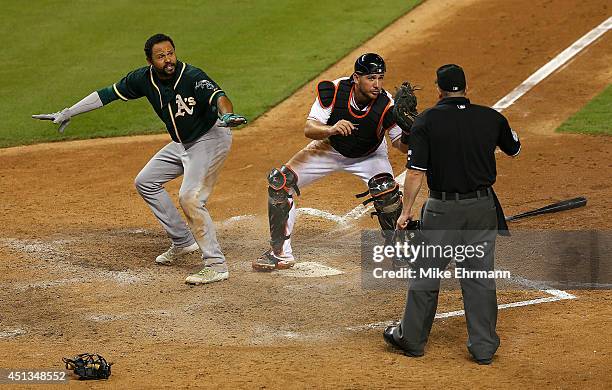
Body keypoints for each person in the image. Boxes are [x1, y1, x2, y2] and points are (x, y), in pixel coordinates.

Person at [32, 33, 246, 285]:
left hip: (210, 139)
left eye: (170, 53)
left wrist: (228, 115)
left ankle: (216, 265)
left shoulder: (192, 76)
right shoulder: (143, 79)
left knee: (190, 197)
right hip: (183, 144)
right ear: (149, 60)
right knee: (146, 181)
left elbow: (219, 97)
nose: (168, 60)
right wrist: (68, 112)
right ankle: (182, 240)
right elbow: (106, 94)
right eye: (161, 56)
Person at [384, 64, 521, 364]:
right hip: (482, 208)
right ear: (464, 87)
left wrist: (406, 212)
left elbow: (415, 174)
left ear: (439, 89)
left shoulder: (426, 122)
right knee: (479, 276)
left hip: (442, 211)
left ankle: (412, 339)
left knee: (426, 273)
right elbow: (514, 149)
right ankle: (484, 347)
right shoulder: (491, 117)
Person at [252, 53, 411, 271]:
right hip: (330, 148)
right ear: (356, 78)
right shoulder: (335, 91)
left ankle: (400, 254)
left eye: (380, 78)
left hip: (370, 155)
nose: (377, 84)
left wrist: (411, 131)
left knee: (386, 192)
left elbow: (401, 146)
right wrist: (332, 129)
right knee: (280, 183)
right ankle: (280, 254)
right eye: (371, 78)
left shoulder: (387, 104)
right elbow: (310, 128)